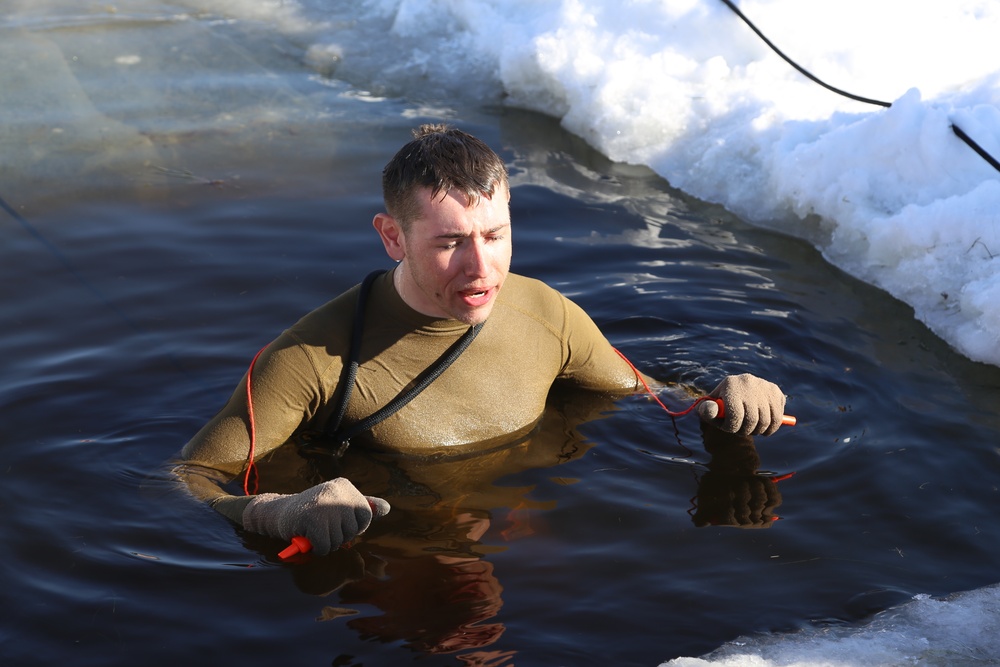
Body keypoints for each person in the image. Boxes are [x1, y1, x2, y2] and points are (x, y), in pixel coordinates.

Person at [175, 124, 787, 555]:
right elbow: (184, 480)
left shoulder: (545, 312)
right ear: (392, 237)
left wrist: (720, 404)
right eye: (450, 243)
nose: (481, 269)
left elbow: (649, 398)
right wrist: (274, 510)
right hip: (396, 553)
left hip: (519, 529)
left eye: (495, 236)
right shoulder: (310, 360)